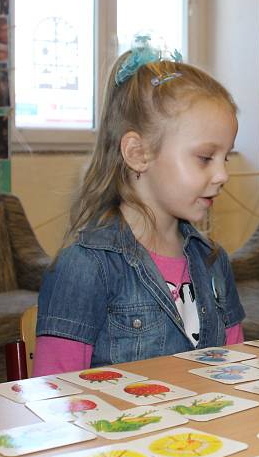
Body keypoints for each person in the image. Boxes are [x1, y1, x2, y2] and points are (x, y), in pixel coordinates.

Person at [34, 37, 246, 375]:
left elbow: (236, 370)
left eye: (226, 157)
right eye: (205, 158)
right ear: (138, 153)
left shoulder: (214, 261)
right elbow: (53, 397)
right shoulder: (86, 267)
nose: (222, 174)